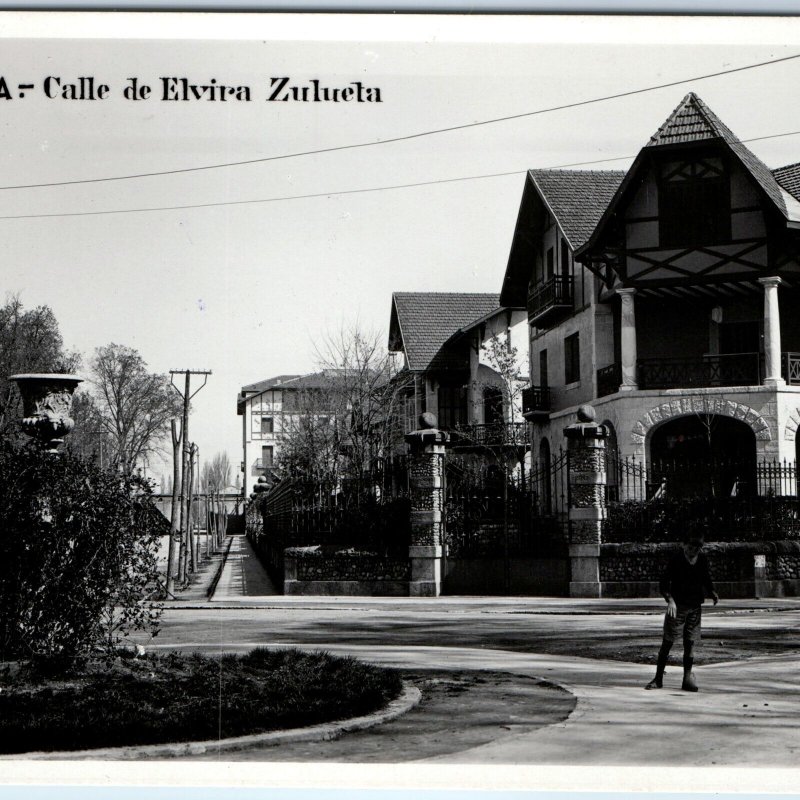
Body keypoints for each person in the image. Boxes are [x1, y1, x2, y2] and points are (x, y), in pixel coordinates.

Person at [645, 527, 719, 692]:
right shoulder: (676, 560)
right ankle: (658, 679)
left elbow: (705, 578)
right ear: (683, 545)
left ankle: (687, 678)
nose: (694, 551)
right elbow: (663, 584)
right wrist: (670, 600)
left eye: (698, 548)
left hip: (694, 606)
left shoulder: (702, 560)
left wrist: (712, 592)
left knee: (690, 642)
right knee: (668, 641)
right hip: (677, 606)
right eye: (691, 547)